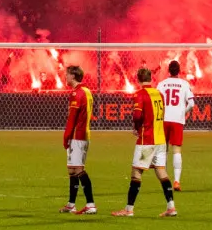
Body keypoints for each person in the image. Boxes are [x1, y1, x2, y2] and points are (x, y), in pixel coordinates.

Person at [111, 66, 177, 217]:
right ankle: (171, 207)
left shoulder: (140, 94)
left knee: (136, 173)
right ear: (151, 78)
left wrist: (136, 128)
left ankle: (128, 209)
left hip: (147, 140)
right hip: (160, 140)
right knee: (161, 172)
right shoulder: (159, 94)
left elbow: (136, 115)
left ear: (138, 79)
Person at [61, 64, 97, 214]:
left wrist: (66, 136)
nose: (65, 77)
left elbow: (72, 119)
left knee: (78, 168)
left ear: (73, 76)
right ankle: (71, 204)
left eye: (67, 74)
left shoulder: (77, 94)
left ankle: (90, 204)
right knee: (72, 169)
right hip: (84, 134)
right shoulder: (87, 91)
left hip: (77, 135)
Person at [157, 59, 195, 188]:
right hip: (177, 120)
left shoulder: (161, 84)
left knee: (163, 150)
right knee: (177, 150)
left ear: (168, 70)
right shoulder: (184, 84)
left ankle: (164, 179)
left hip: (163, 119)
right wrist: (182, 112)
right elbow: (192, 104)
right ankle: (177, 181)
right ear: (179, 71)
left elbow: (157, 103)